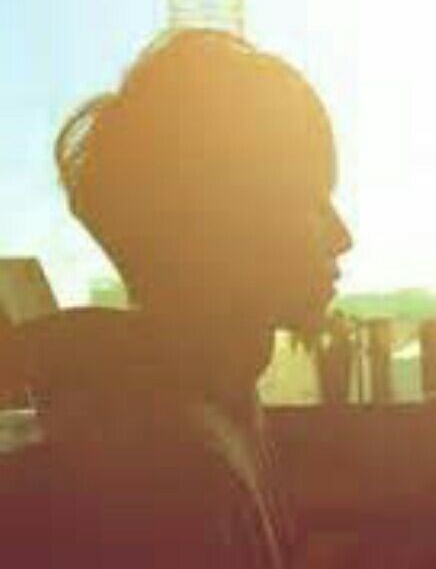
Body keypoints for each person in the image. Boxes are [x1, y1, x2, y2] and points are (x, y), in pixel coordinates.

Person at [0, 29, 351, 568]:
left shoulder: (216, 401)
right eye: (312, 202)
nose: (342, 236)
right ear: (226, 224)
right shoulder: (182, 474)